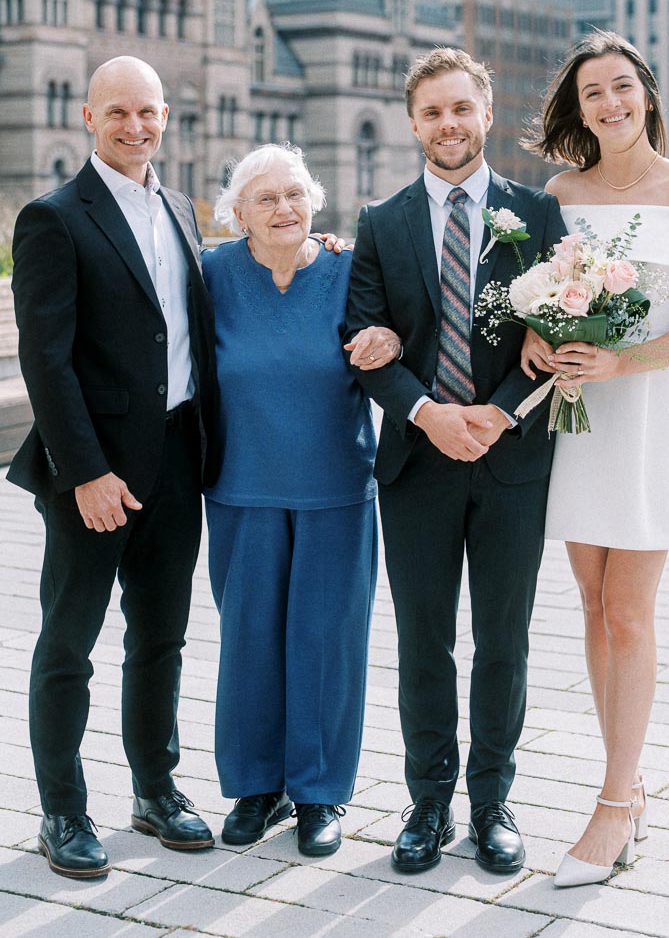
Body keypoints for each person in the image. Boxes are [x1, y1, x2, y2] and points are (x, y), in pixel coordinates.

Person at [345, 47, 565, 875]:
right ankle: (428, 803)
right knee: (423, 641)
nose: (448, 124)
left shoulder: (536, 214)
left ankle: (492, 802)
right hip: (416, 464)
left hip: (511, 463)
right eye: (432, 112)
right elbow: (363, 343)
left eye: (460, 109)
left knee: (503, 640)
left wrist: (497, 414)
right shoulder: (381, 221)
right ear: (413, 124)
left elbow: (560, 329)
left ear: (485, 110)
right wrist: (431, 415)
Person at [522, 30, 669, 888]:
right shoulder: (560, 192)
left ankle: (613, 806)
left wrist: (623, 359)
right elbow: (535, 295)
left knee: (628, 613)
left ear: (645, 93)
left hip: (648, 411)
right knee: (589, 599)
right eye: (592, 94)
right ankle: (630, 784)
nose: (609, 104)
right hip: (577, 417)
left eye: (621, 87)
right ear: (578, 110)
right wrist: (541, 331)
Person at [8, 56, 221, 879]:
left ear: (166, 116)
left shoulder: (180, 208)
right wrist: (84, 472)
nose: (136, 127)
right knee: (70, 641)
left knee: (161, 639)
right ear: (88, 118)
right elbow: (46, 361)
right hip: (94, 473)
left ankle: (156, 789)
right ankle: (61, 811)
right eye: (119, 112)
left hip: (178, 457)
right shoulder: (54, 218)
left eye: (149, 112)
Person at [203, 144, 399, 858]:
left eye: (295, 193)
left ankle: (320, 793)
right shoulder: (212, 271)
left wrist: (388, 336)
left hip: (336, 486)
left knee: (326, 641)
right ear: (238, 215)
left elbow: (396, 332)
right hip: (240, 485)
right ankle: (257, 787)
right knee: (249, 637)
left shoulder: (352, 270)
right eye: (265, 198)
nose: (285, 208)